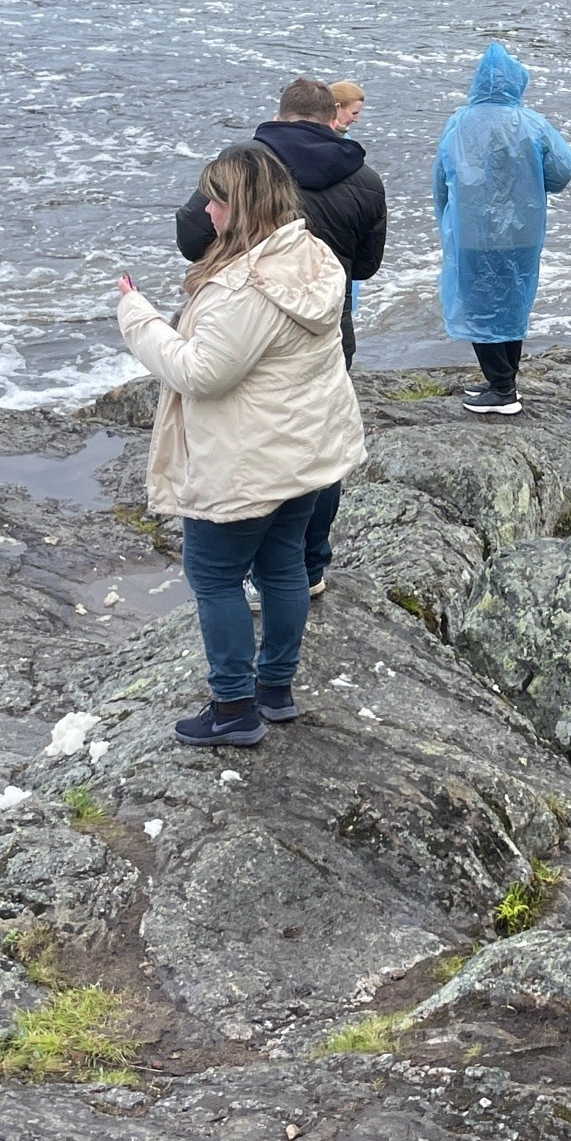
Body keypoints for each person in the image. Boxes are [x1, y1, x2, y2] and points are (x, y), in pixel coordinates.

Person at [120, 142, 364, 747]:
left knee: (215, 576)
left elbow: (203, 374)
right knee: (283, 564)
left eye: (216, 200)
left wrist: (137, 317)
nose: (206, 212)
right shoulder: (311, 256)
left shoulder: (246, 288)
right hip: (303, 450)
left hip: (245, 459)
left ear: (244, 206)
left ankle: (233, 708)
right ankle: (274, 691)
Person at [175, 77, 386, 596]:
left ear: (280, 114)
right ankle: (309, 566)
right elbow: (368, 267)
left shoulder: (243, 164)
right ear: (330, 116)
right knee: (320, 447)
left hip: (243, 326)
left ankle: (251, 568)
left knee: (250, 446)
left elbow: (189, 236)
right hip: (325, 327)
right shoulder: (365, 178)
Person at [433, 42, 571, 415]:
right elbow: (564, 170)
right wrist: (532, 179)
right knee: (512, 304)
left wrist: (446, 220)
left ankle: (502, 390)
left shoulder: (458, 122)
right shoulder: (532, 123)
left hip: (473, 232)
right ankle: (505, 380)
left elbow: (440, 180)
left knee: (480, 306)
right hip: (522, 233)